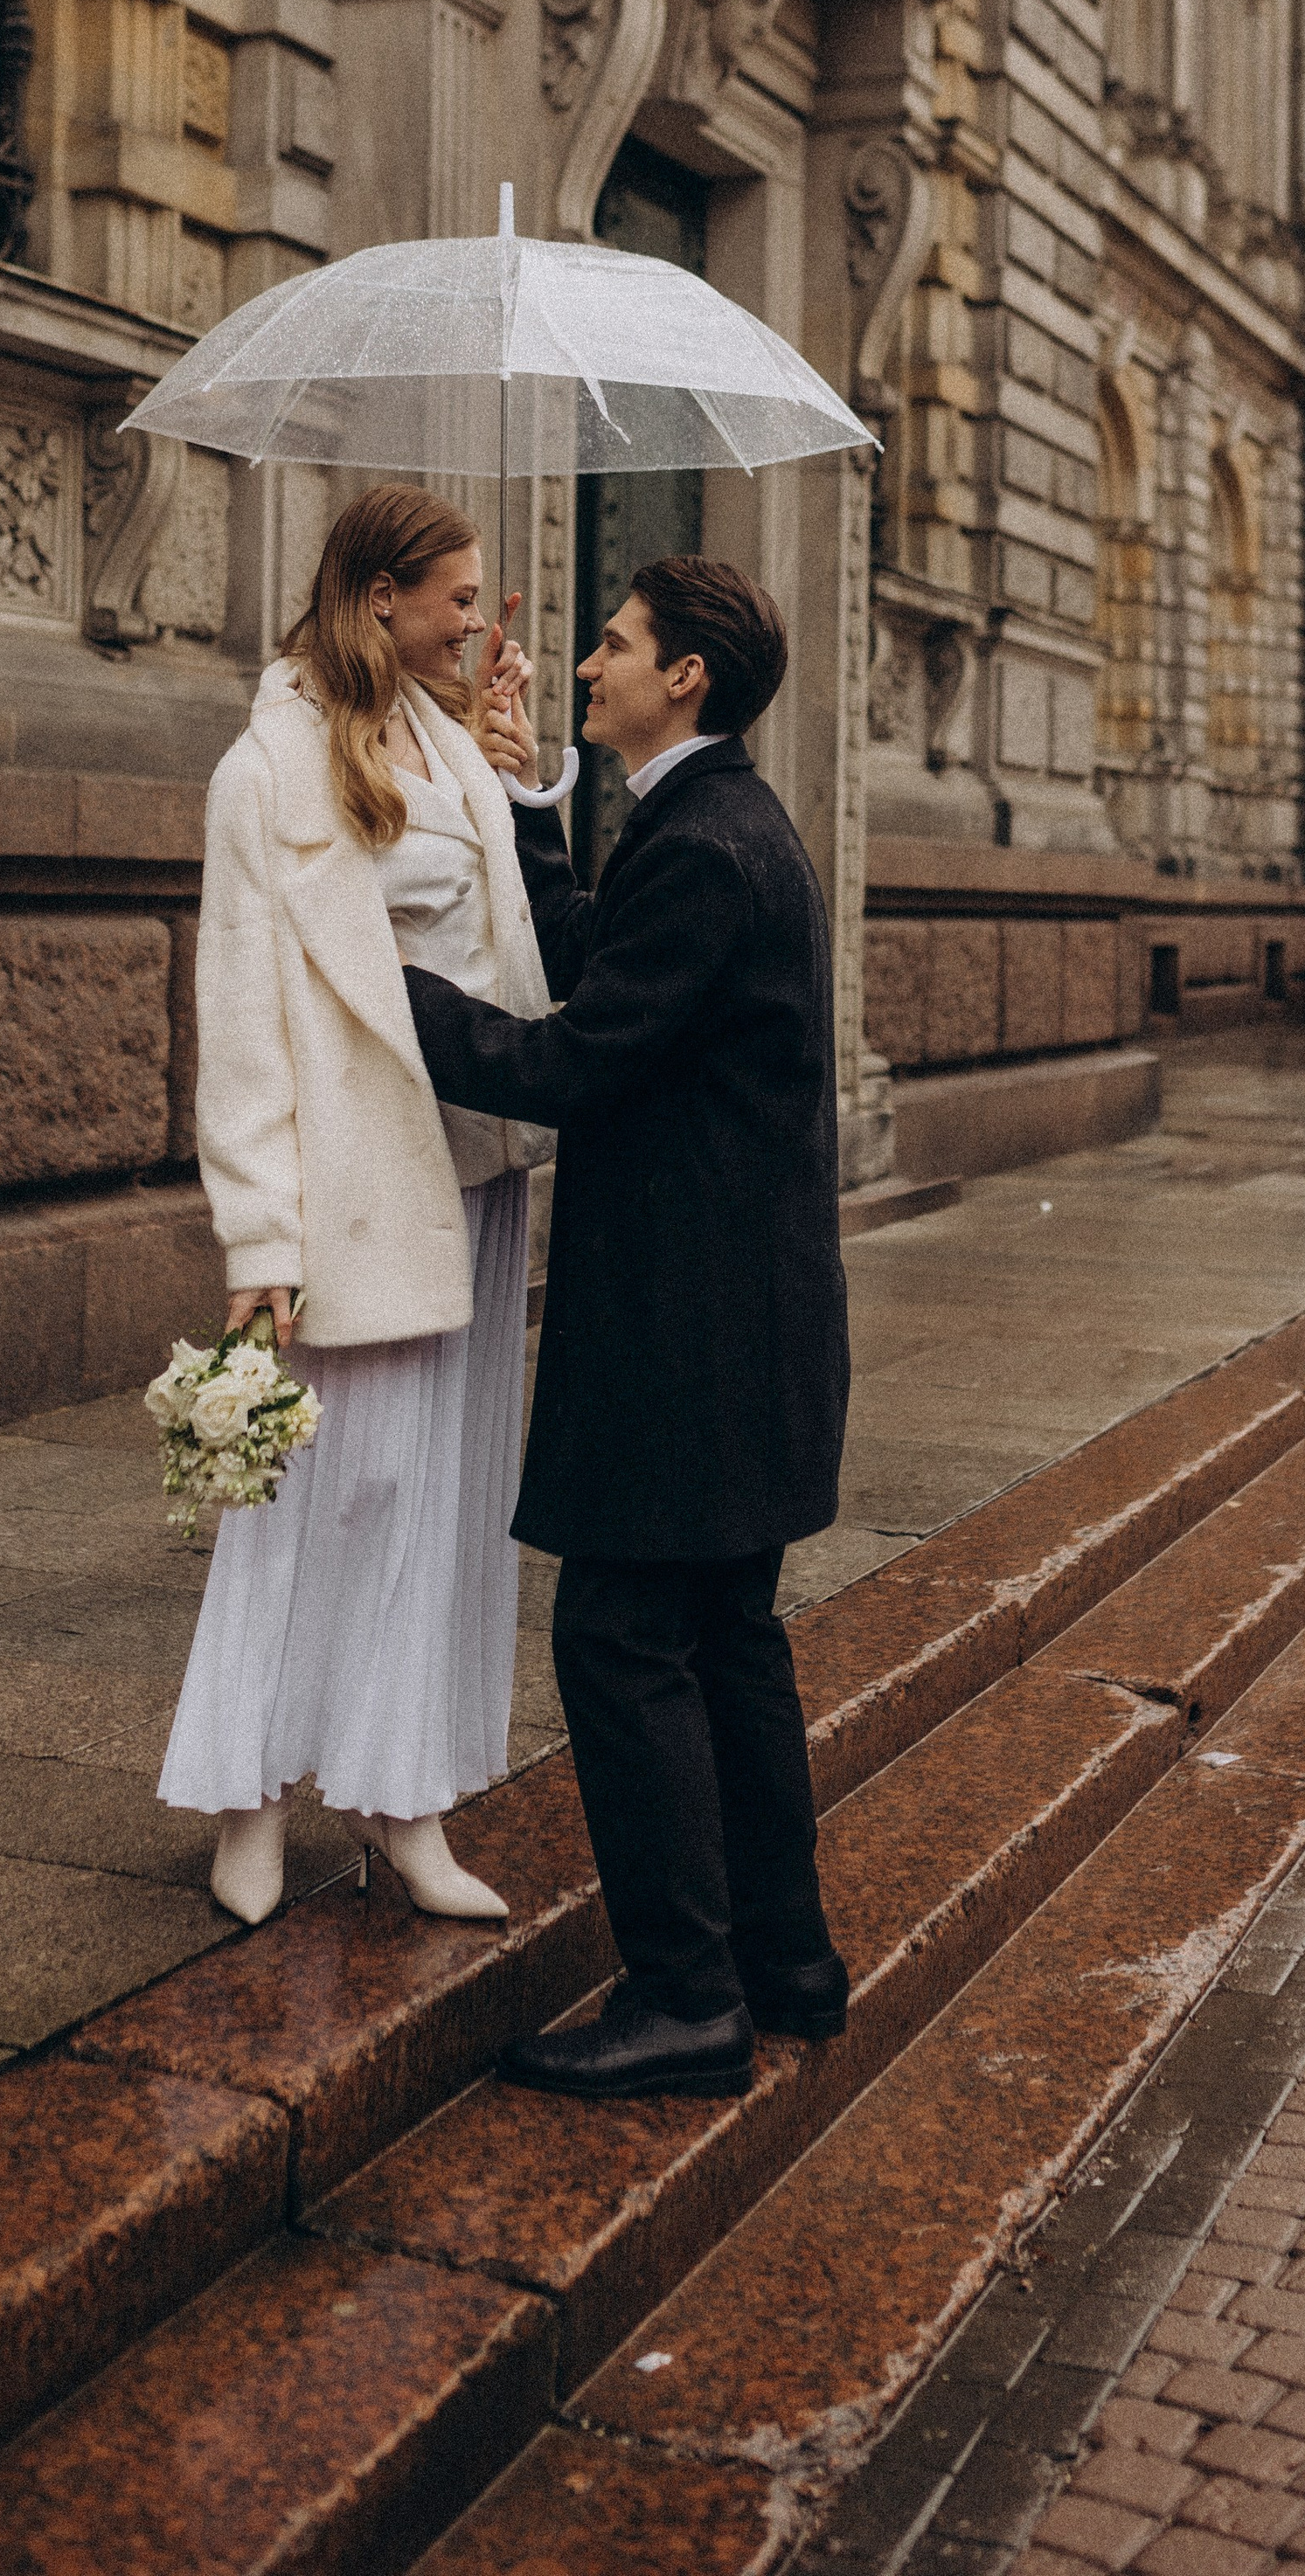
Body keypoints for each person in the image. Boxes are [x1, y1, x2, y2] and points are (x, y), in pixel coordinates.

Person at [401, 556, 851, 2101]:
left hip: (691, 1343)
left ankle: (682, 1998)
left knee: (620, 1637)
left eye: (614, 644)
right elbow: (608, 962)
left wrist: (379, 989)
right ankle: (786, 1965)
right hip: (747, 1332)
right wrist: (532, 813)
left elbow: (578, 1058)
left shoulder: (710, 848)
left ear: (688, 680)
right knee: (728, 1638)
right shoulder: (713, 829)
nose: (582, 665)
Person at [157, 484, 553, 1927]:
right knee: (324, 1498)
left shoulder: (458, 746)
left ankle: (405, 1804)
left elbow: (508, 948)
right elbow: (245, 1021)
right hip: (356, 1188)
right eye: (458, 597)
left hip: (478, 1178)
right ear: (381, 598)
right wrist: (257, 1232)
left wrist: (524, 782)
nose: (480, 621)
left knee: (445, 1508)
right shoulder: (263, 773)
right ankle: (250, 1802)